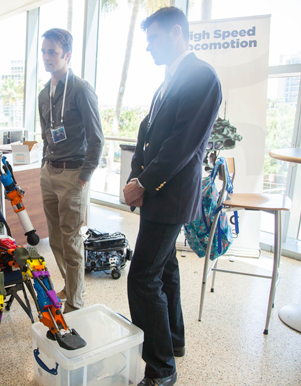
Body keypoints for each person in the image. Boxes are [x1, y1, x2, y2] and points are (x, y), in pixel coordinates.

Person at [122, 7, 222, 386]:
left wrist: (144, 183)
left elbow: (181, 145)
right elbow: (147, 133)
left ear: (177, 33)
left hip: (172, 195)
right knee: (164, 269)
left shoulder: (202, 77)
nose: (148, 48)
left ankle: (161, 368)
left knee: (142, 277)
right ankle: (174, 341)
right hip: (158, 194)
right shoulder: (170, 79)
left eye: (153, 39)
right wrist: (136, 176)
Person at [38, 28, 104, 313]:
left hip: (73, 174)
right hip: (49, 173)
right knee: (55, 238)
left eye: (52, 52)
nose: (46, 57)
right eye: (43, 52)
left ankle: (75, 301)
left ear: (67, 55)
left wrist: (83, 177)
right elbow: (46, 135)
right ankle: (71, 283)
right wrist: (44, 165)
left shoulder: (81, 90)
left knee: (72, 238)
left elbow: (97, 138)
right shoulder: (44, 94)